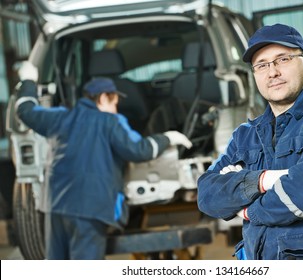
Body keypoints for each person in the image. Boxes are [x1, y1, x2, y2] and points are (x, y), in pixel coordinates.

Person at [197, 23, 303, 260]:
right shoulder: (245, 133)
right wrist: (262, 180)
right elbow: (207, 195)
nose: (272, 72)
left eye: (283, 60)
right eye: (262, 65)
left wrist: (247, 211)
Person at [15, 61, 192, 260]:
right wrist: (167, 138)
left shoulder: (61, 118)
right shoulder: (111, 122)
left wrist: (28, 81)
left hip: (55, 206)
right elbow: (139, 150)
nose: (116, 108)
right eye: (114, 101)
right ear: (102, 99)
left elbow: (26, 111)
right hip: (91, 208)